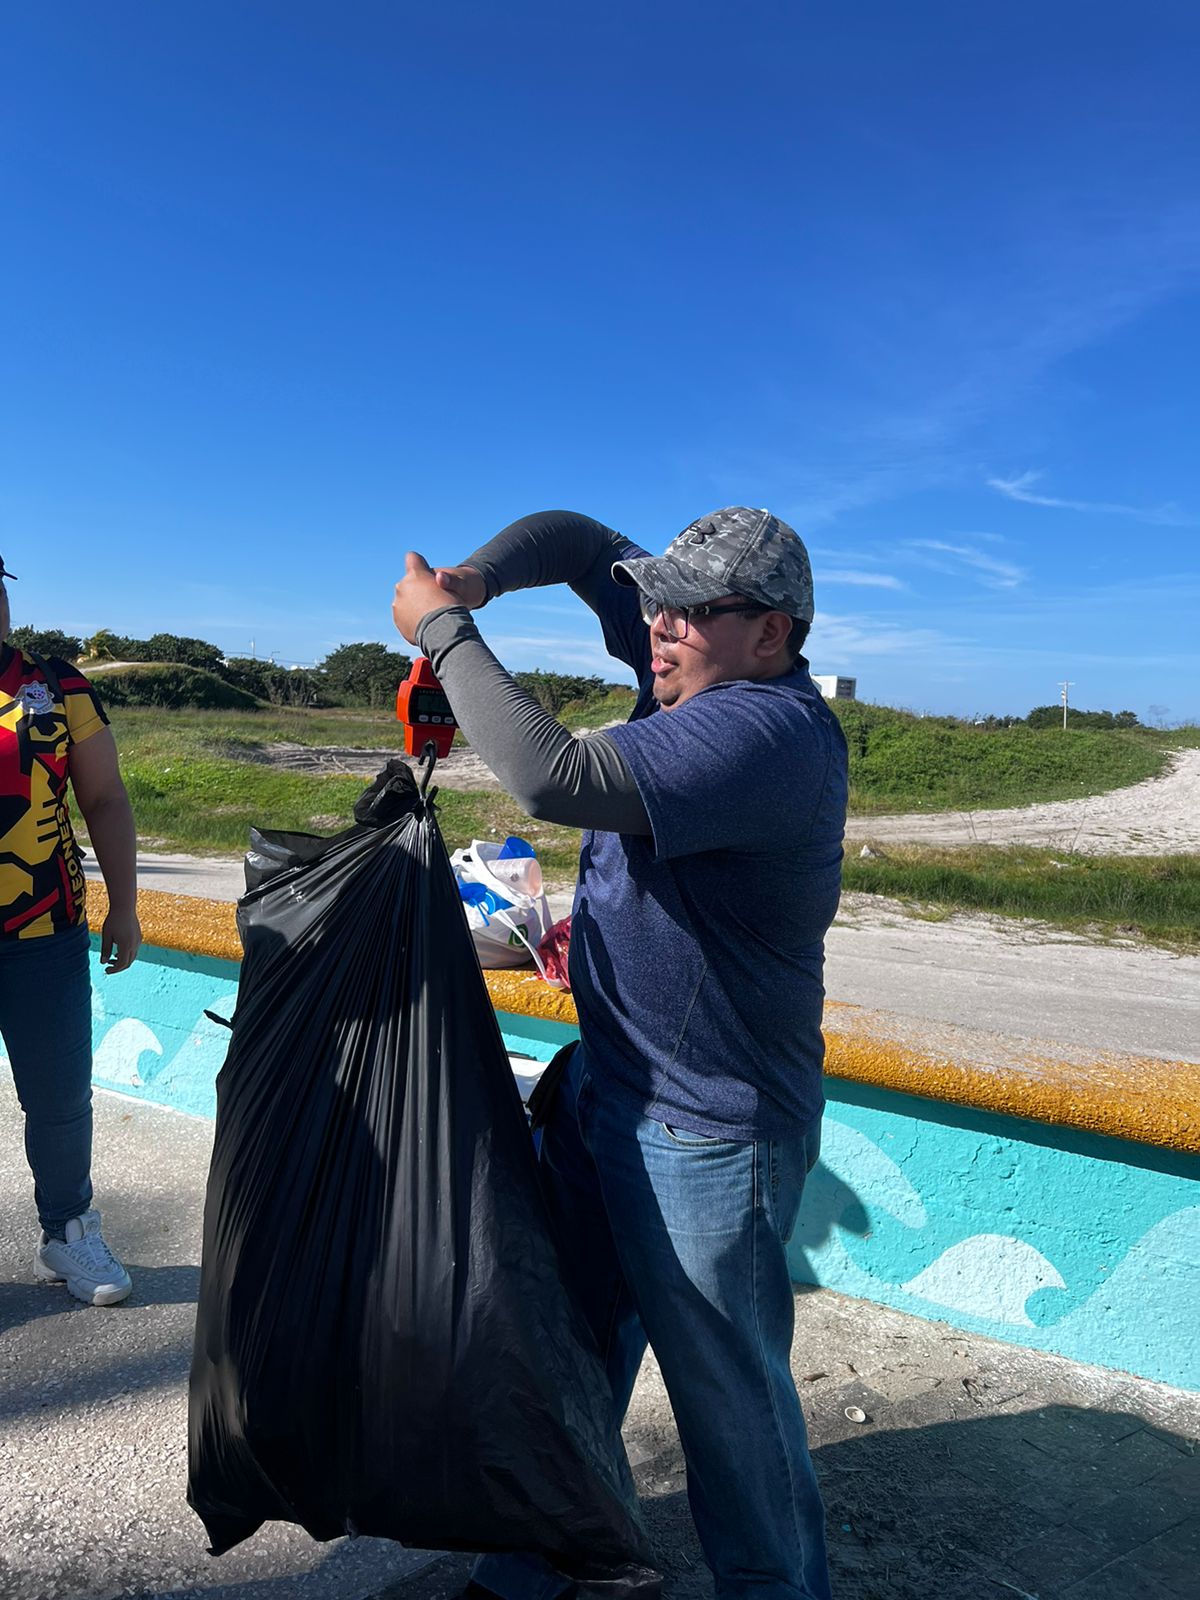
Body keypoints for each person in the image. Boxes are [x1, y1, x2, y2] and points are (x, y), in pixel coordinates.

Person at [391, 508, 847, 1600]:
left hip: (706, 1132)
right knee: (567, 1347)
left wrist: (447, 630)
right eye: (657, 603)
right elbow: (577, 537)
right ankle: (540, 1562)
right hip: (614, 1081)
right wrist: (480, 577)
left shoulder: (766, 730)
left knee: (729, 1402)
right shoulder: (687, 671)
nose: (659, 625)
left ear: (771, 634)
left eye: (690, 610)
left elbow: (552, 775)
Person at [0, 556, 141, 1306]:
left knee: (59, 1100)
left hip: (44, 930)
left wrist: (125, 905)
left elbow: (106, 798)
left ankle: (68, 1231)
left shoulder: (59, 687)